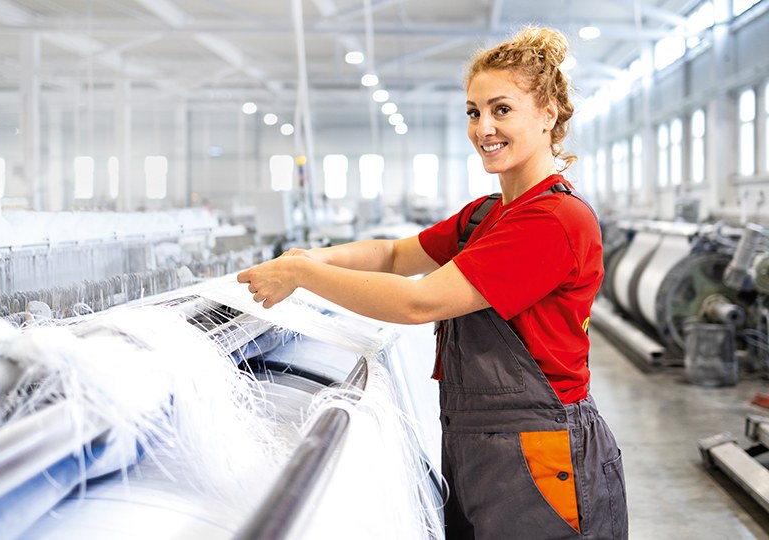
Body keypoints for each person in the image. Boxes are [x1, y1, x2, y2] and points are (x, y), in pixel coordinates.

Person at [237, 25, 628, 540]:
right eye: (474, 111)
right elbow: (396, 254)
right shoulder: (488, 214)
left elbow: (420, 302)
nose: (483, 127)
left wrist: (305, 275)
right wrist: (309, 256)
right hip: (479, 444)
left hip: (540, 450)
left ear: (549, 115)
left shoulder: (552, 220)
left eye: (502, 109)